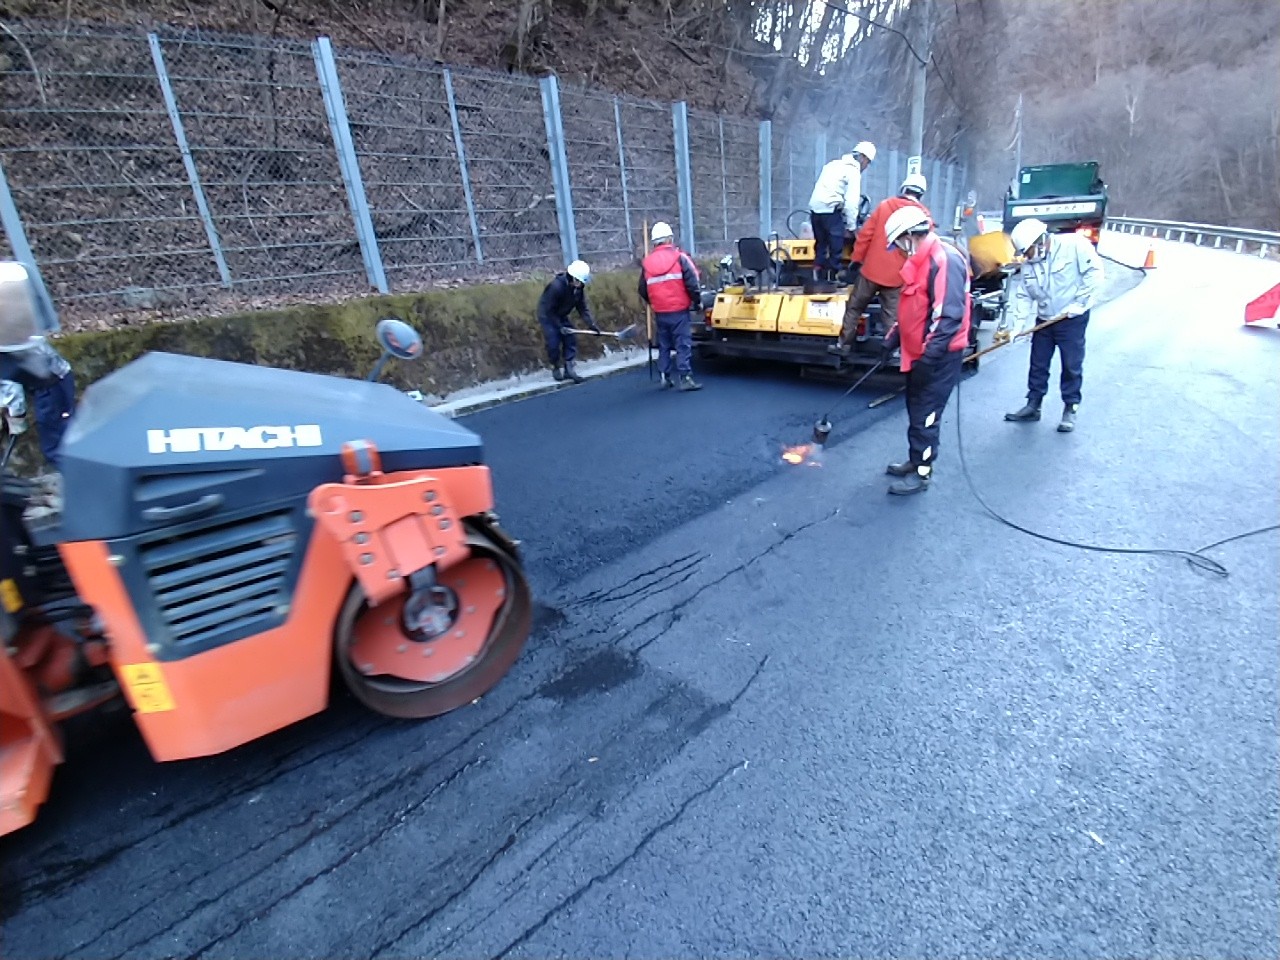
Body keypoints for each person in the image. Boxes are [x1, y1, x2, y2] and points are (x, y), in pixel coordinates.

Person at [879, 206, 972, 496]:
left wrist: (928, 360)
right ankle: (915, 458)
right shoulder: (920, 260)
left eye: (899, 243)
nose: (898, 250)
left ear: (909, 236)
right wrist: (892, 340)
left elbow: (947, 318)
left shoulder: (944, 260)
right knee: (916, 410)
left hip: (939, 358)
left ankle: (922, 473)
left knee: (927, 416)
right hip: (919, 354)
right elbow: (913, 308)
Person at [1001, 217, 1103, 433]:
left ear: (1040, 241)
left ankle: (1070, 407)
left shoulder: (1074, 246)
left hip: (1071, 318)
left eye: (1028, 252)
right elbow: (1024, 295)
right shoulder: (1029, 265)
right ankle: (1033, 405)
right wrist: (1017, 327)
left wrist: (1080, 304)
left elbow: (1094, 273)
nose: (1027, 257)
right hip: (1045, 320)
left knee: (1071, 365)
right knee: (1038, 364)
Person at [828, 172, 931, 357]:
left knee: (854, 307)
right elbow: (923, 250)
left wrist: (856, 260)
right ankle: (892, 353)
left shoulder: (885, 206)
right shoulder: (923, 216)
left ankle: (842, 346)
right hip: (898, 276)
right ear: (921, 194)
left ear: (903, 189)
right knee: (892, 316)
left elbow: (865, 236)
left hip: (871, 271)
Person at [1, 261, 76, 470]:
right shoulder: (12, 329)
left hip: (52, 384)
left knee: (57, 448)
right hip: (51, 382)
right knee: (60, 442)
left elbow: (9, 380)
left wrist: (16, 415)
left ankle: (85, 483)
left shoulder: (9, 337)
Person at [639, 221, 702, 392]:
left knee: (664, 344)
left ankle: (664, 376)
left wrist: (654, 302)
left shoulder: (647, 263)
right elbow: (692, 283)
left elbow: (642, 289)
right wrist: (697, 302)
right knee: (682, 344)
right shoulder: (679, 258)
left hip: (660, 311)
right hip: (679, 310)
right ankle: (685, 377)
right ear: (669, 238)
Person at [807, 141, 876, 287]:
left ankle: (817, 274)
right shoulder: (853, 171)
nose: (866, 167)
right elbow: (851, 203)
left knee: (821, 244)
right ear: (863, 158)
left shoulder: (832, 165)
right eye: (868, 163)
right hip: (831, 211)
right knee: (836, 245)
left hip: (815, 211)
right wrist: (851, 227)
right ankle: (833, 276)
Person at [537, 259, 598, 384]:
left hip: (561, 314)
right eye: (580, 281)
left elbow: (582, 308)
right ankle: (555, 366)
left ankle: (569, 369)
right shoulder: (556, 287)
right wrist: (560, 327)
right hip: (548, 315)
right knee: (553, 341)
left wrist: (591, 325)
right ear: (573, 278)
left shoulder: (578, 289)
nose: (582, 284)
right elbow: (549, 310)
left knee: (570, 339)